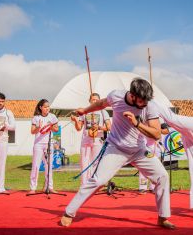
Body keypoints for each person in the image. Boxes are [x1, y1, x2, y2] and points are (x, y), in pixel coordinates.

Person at [60, 78, 175, 229]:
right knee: (98, 181)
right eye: (142, 101)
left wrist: (137, 123)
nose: (145, 104)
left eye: (147, 100)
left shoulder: (150, 105)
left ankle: (162, 217)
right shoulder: (116, 96)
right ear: (132, 96)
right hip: (116, 148)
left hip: (139, 150)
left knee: (162, 176)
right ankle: (69, 212)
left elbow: (157, 134)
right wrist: (85, 110)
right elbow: (101, 103)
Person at [70, 93, 111, 185]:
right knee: (84, 163)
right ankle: (84, 185)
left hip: (98, 140)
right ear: (89, 101)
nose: (95, 101)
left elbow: (109, 127)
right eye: (93, 99)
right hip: (86, 140)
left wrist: (99, 127)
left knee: (95, 163)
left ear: (100, 101)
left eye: (97, 100)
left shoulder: (103, 112)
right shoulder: (85, 111)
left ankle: (92, 185)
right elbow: (78, 128)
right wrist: (76, 121)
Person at [29, 99, 59, 194]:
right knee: (36, 165)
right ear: (40, 107)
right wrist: (39, 127)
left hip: (49, 143)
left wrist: (51, 126)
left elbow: (56, 129)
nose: (47, 108)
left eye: (48, 107)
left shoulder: (52, 116)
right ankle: (33, 188)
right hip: (38, 144)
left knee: (49, 165)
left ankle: (49, 187)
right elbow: (32, 131)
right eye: (45, 107)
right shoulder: (36, 118)